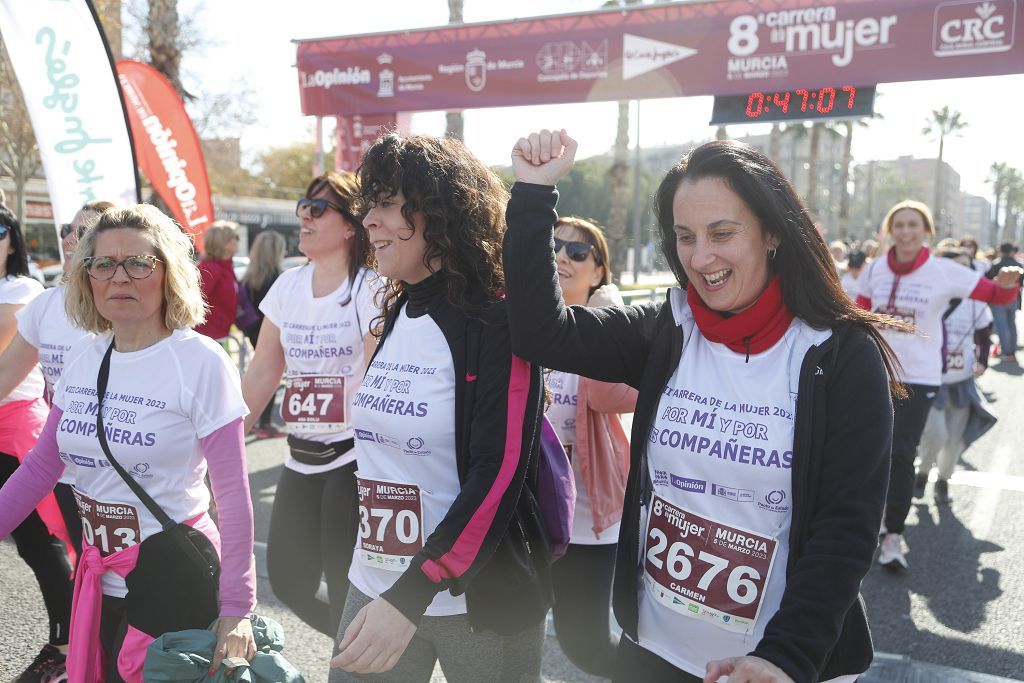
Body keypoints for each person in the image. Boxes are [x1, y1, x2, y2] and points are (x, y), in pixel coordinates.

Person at [505, 129, 898, 683]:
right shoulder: (669, 326)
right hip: (654, 653)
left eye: (722, 233)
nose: (701, 257)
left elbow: (846, 529)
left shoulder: (839, 355)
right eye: (685, 236)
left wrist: (785, 658)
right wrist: (532, 193)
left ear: (772, 234)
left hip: (770, 665)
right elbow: (541, 334)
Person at [0, 205, 257, 682]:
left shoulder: (199, 362)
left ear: (169, 273)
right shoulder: (83, 358)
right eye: (103, 264)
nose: (120, 277)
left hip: (172, 579)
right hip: (96, 582)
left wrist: (238, 607)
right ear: (86, 277)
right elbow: (40, 468)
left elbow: (235, 498)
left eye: (138, 263)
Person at [328, 133, 551, 683]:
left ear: (437, 212)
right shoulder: (399, 307)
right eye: (367, 206)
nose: (368, 223)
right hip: (376, 582)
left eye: (384, 203)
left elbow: (497, 473)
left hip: (475, 599)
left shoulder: (496, 322)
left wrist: (413, 592)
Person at [241, 172, 376, 639]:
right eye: (302, 206)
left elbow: (382, 379)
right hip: (301, 455)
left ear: (350, 226)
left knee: (345, 588)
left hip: (354, 458)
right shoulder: (287, 287)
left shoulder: (371, 288)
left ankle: (358, 664)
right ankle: (366, 652)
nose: (303, 215)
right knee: (289, 582)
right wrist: (220, 440)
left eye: (316, 208)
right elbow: (262, 372)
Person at [857, 201, 1021, 571]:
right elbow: (861, 313)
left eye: (913, 224)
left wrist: (1008, 285)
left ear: (925, 230)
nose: (906, 231)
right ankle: (868, 521)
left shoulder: (943, 272)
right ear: (889, 230)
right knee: (869, 451)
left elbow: (995, 295)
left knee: (901, 452)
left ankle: (893, 535)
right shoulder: (875, 270)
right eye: (898, 224)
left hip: (919, 376)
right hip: (875, 372)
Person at [545, 215, 636, 678]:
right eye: (555, 246)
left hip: (586, 519)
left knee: (584, 643)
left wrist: (608, 313)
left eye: (578, 252)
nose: (562, 256)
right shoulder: (522, 322)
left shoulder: (608, 330)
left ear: (599, 271)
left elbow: (604, 395)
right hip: (525, 511)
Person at [1, 200, 117, 555]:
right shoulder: (47, 305)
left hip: (118, 473)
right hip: (64, 469)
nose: (69, 239)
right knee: (81, 564)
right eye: (68, 229)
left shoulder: (122, 306)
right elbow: (5, 375)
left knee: (126, 585)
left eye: (83, 232)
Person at [0, 205, 76, 683]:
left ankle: (67, 644)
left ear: (14, 239)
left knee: (39, 542)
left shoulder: (23, 290)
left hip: (19, 429)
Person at [916, 249, 996, 504]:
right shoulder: (927, 297)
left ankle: (943, 482)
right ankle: (922, 473)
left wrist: (982, 361)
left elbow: (985, 334)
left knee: (954, 439)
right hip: (932, 380)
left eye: (965, 268)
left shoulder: (975, 303)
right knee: (936, 434)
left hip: (961, 381)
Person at [240, 230, 287, 438]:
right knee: (271, 376)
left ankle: (255, 421)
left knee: (258, 374)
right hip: (270, 332)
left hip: (252, 330)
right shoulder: (279, 279)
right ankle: (265, 422)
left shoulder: (249, 278)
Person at [195, 220, 241, 342]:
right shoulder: (209, 268)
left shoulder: (226, 267)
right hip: (206, 338)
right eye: (235, 237)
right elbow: (195, 302)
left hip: (220, 335)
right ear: (224, 242)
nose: (238, 241)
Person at [986, 242, 1022, 361]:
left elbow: (988, 282)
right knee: (1012, 324)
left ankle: (1006, 351)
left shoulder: (996, 264)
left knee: (1001, 326)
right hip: (1014, 298)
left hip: (998, 300)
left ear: (1000, 251)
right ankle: (1012, 350)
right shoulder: (1018, 265)